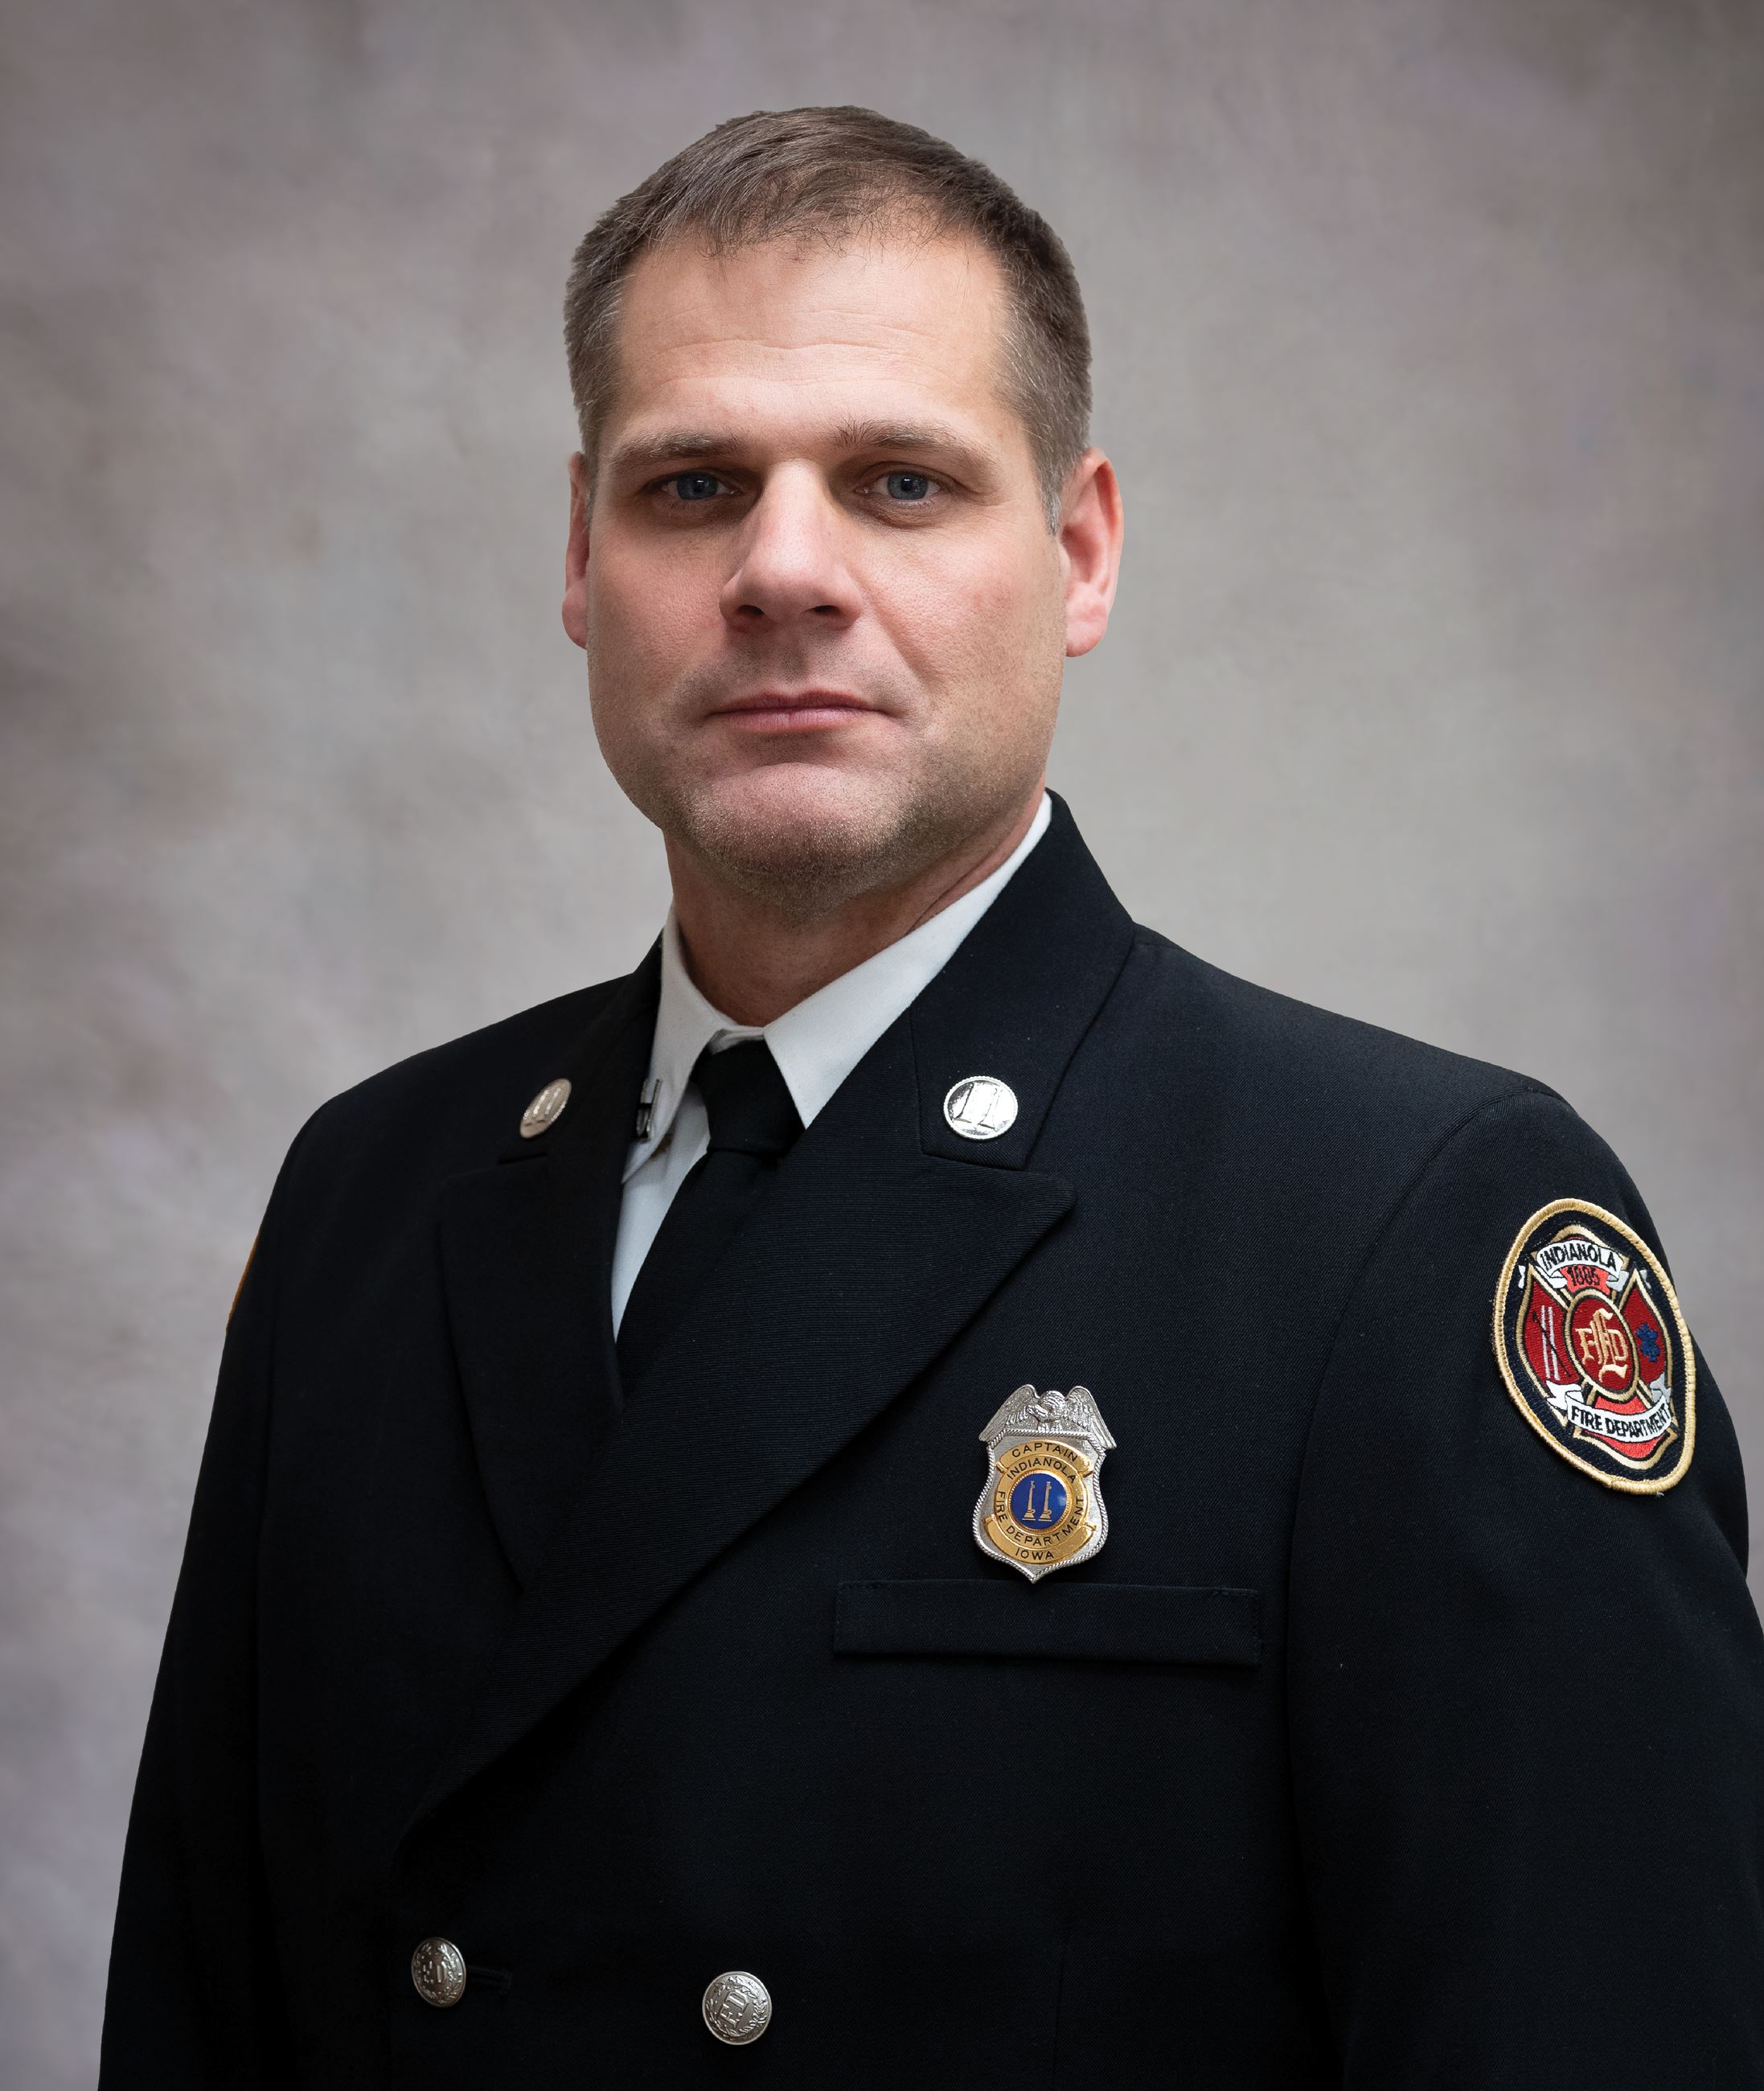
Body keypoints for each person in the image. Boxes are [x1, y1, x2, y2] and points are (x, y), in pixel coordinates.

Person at [99, 104, 1764, 2088]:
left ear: (1077, 553)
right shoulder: (370, 1197)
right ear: (579, 557)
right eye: (692, 484)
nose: (781, 571)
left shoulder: (1405, 1232)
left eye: (898, 481)